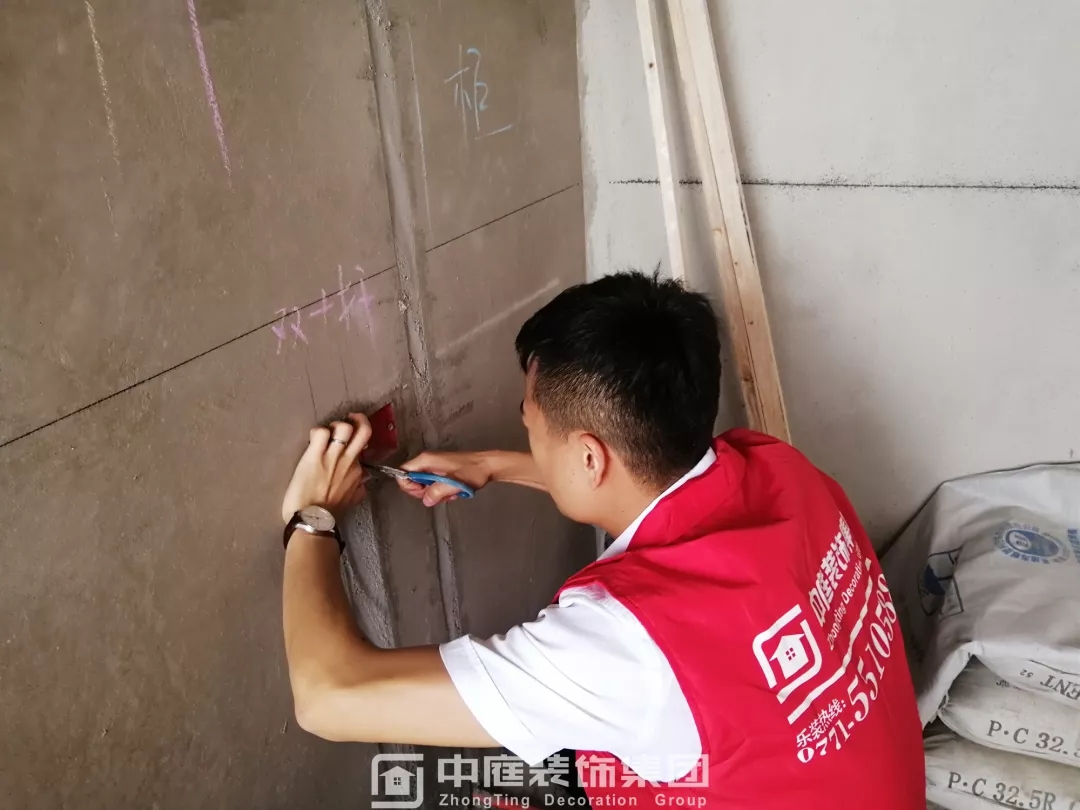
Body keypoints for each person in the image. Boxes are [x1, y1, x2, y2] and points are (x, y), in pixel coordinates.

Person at [279, 272, 925, 808]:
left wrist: (313, 517)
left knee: (435, 790)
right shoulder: (780, 470)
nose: (528, 440)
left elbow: (328, 698)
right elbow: (639, 483)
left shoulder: (626, 646)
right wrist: (495, 465)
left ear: (590, 458)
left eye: (531, 430)